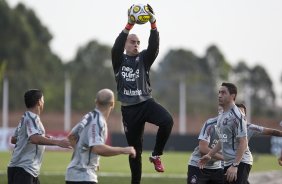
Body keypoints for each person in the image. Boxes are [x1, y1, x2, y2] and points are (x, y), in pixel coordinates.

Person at [111, 4, 174, 184]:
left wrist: (153, 24)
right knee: (134, 151)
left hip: (146, 103)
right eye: (132, 41)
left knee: (167, 120)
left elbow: (154, 47)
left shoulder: (144, 59)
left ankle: (156, 155)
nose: (136, 44)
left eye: (138, 42)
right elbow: (115, 47)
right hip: (129, 111)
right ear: (125, 44)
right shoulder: (119, 59)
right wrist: (128, 25)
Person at [65, 88, 136, 184]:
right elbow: (98, 148)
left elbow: (71, 137)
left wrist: (85, 157)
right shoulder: (98, 121)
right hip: (83, 177)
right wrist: (124, 150)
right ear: (112, 104)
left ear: (96, 102)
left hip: (72, 176)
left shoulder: (88, 116)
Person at [7, 89, 71, 184]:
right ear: (39, 102)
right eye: (43, 99)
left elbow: (14, 139)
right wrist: (58, 142)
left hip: (25, 170)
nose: (44, 102)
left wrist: (42, 137)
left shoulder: (25, 117)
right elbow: (34, 138)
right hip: (23, 170)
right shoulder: (31, 118)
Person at [199, 82, 252, 184]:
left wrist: (235, 165)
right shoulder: (222, 115)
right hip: (229, 162)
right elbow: (223, 140)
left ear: (233, 96)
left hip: (240, 162)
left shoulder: (237, 116)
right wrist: (209, 154)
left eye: (223, 93)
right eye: (219, 92)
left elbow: (243, 142)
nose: (219, 95)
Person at [187, 115, 224, 184]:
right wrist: (225, 158)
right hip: (198, 165)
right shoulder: (211, 124)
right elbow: (203, 149)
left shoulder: (236, 128)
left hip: (217, 167)